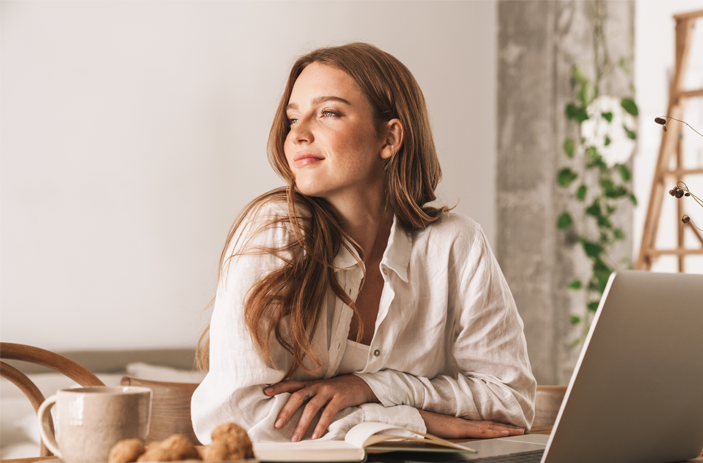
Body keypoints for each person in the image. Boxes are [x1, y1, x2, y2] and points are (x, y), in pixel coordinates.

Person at [190, 42, 537, 444]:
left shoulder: (456, 244)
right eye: (292, 118)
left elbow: (510, 403)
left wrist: (375, 387)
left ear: (388, 138)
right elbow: (234, 420)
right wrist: (412, 422)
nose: (298, 134)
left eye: (328, 113)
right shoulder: (274, 232)